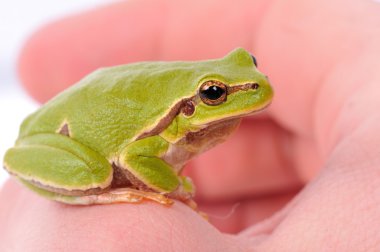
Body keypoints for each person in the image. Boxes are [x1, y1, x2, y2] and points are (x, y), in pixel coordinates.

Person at [1, 0, 379, 250]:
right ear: (190, 106)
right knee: (99, 172)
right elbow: (134, 154)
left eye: (248, 61)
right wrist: (174, 186)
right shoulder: (165, 127)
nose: (256, 82)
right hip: (66, 139)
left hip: (90, 104)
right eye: (215, 93)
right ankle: (93, 191)